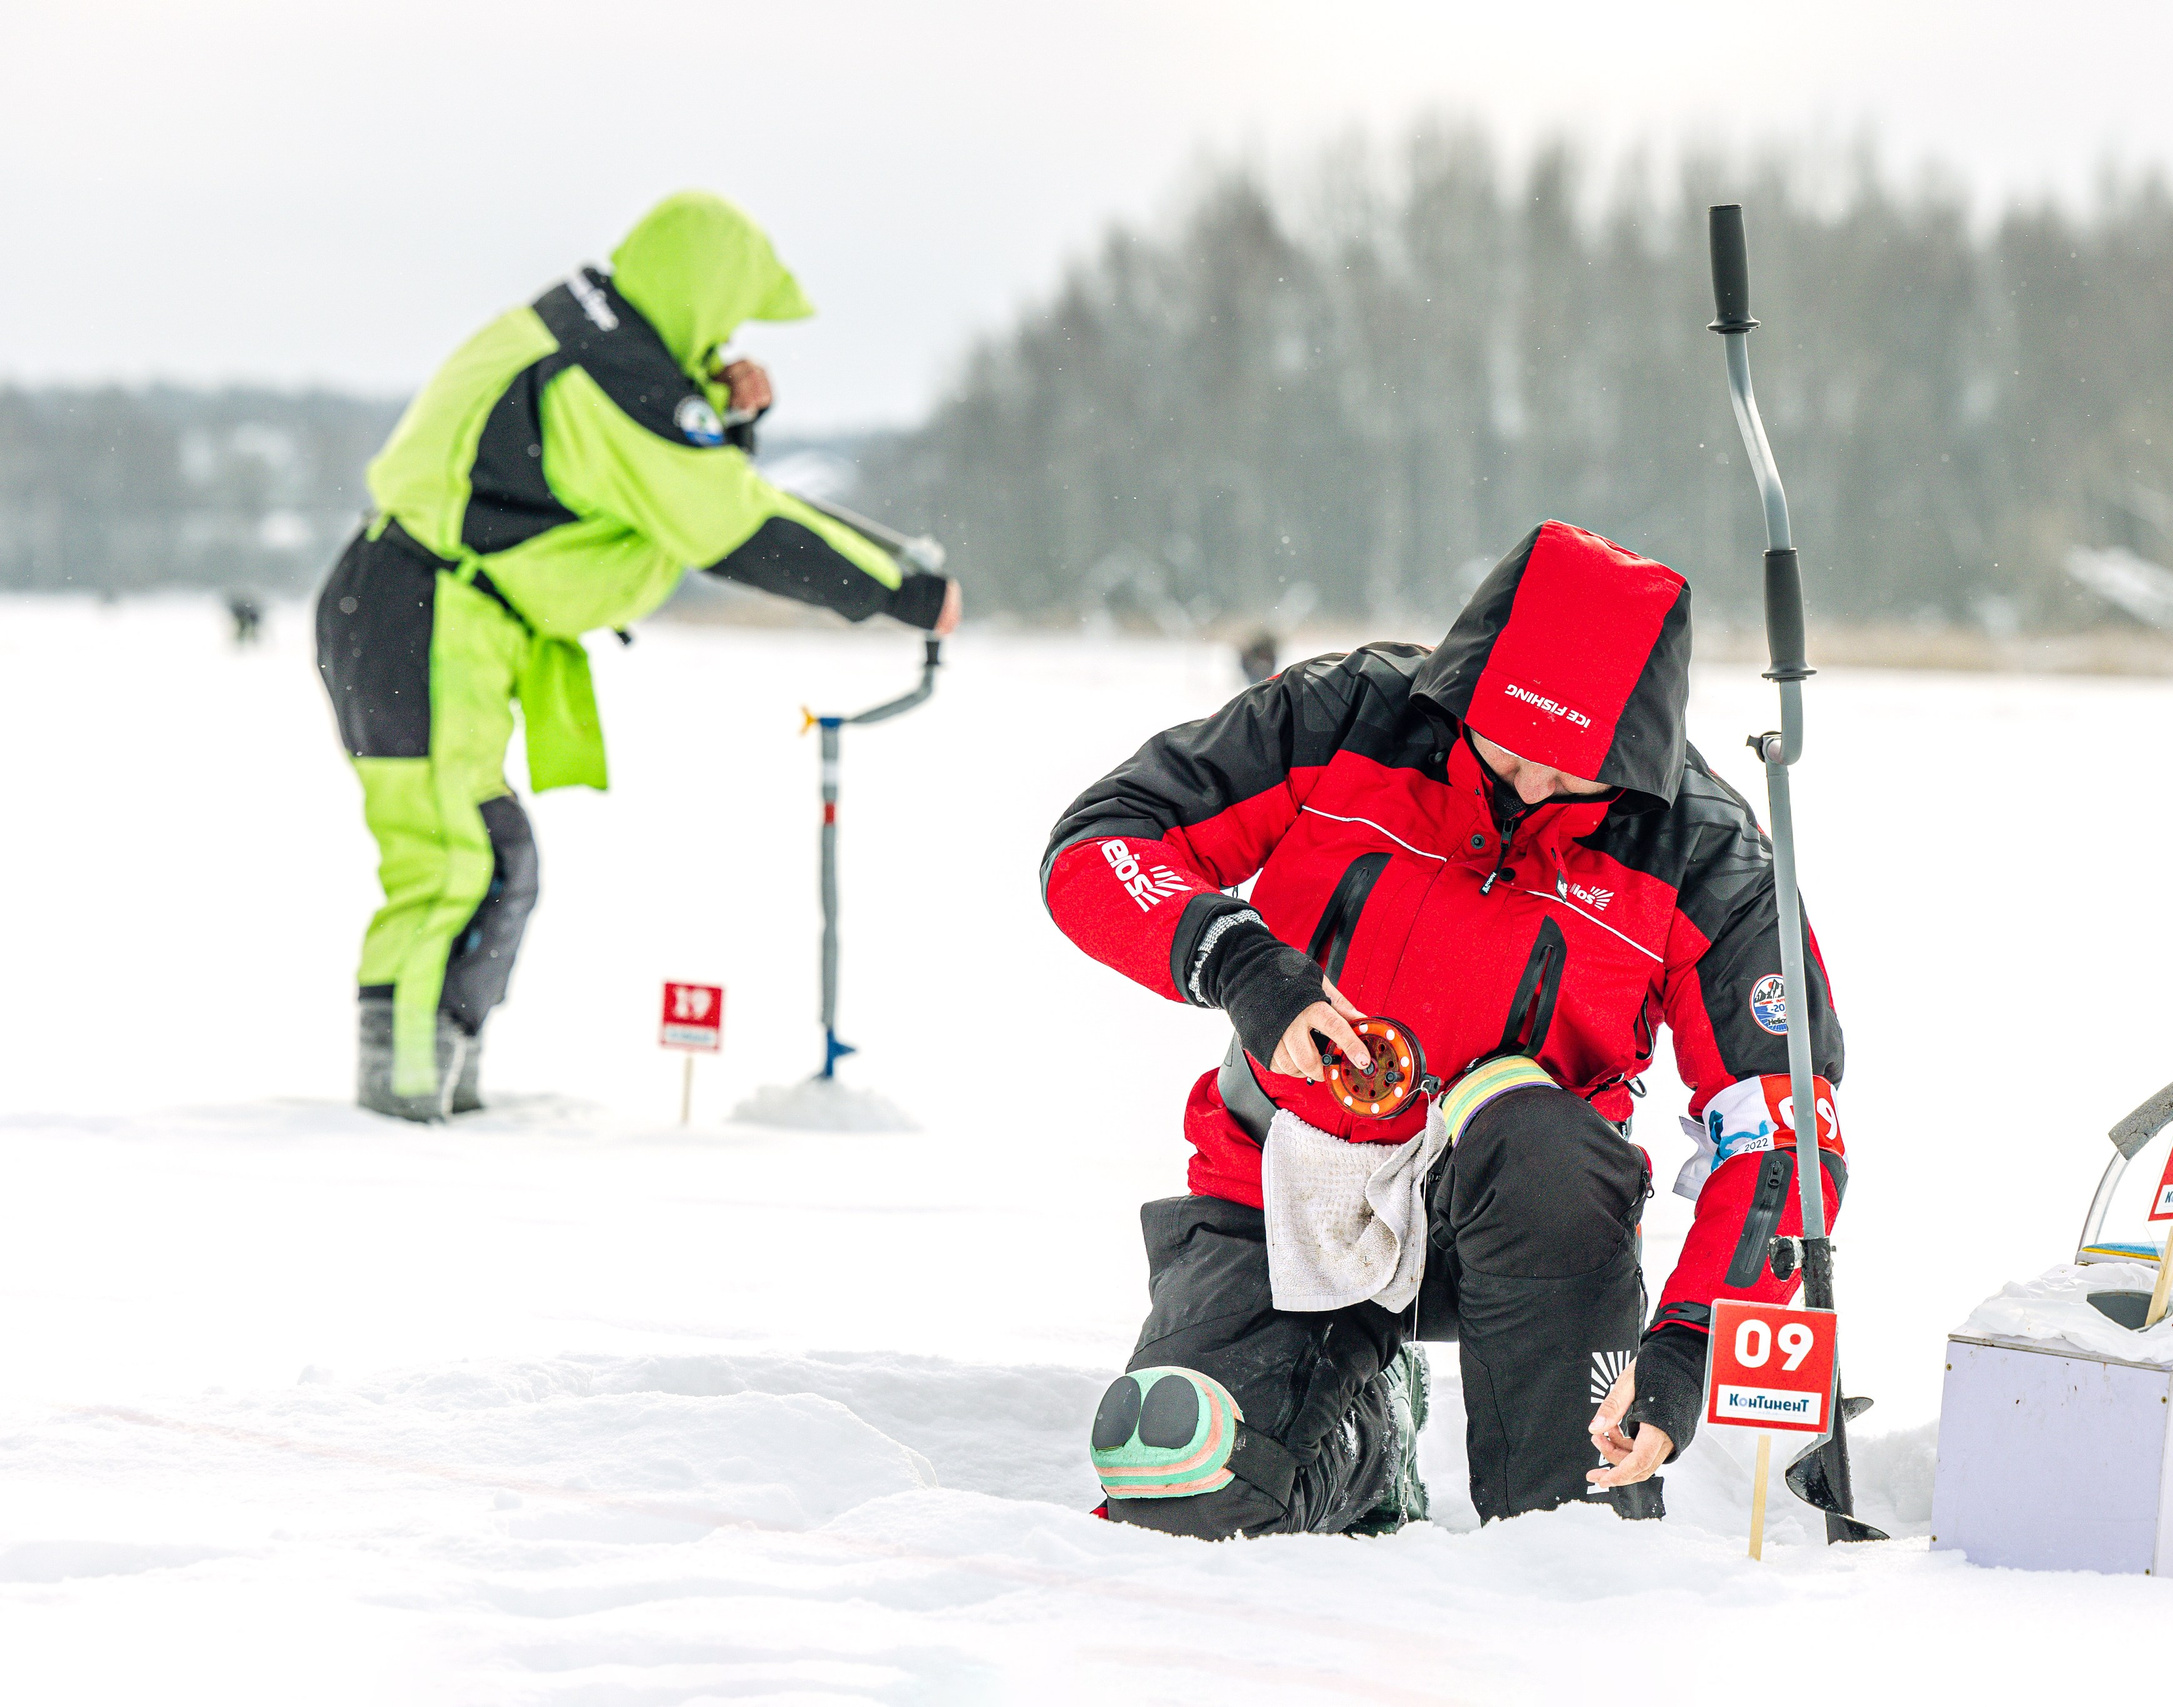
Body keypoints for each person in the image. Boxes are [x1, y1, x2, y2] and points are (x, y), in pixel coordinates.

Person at [1042, 519, 1846, 1537]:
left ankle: (1555, 1494)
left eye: (1570, 777)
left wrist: (1689, 1346)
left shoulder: (1704, 854)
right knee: (1183, 1491)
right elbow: (1105, 838)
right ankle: (1362, 1440)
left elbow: (1784, 1134)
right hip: (1283, 1181)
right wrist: (1241, 963)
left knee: (1579, 1545)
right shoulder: (1343, 720)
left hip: (1524, 1222)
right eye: (1510, 757)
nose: (1530, 794)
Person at [317, 191, 961, 1122]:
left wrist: (727, 419)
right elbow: (729, 520)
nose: (728, 337)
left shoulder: (592, 330)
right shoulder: (614, 379)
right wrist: (906, 591)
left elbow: (677, 482)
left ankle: (431, 1098)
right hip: (418, 617)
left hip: (416, 609)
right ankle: (402, 1113)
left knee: (490, 859)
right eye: (728, 314)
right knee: (454, 864)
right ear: (701, 291)